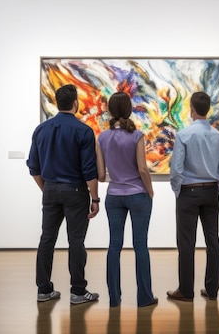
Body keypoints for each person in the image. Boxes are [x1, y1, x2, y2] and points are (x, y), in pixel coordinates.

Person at [26, 84, 100, 304]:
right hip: (76, 191)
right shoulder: (83, 130)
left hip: (50, 189)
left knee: (46, 240)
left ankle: (44, 290)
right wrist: (95, 199)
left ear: (57, 103)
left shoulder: (41, 129)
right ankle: (78, 291)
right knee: (76, 241)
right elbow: (89, 170)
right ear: (75, 103)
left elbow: (33, 167)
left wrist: (47, 188)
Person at [95, 92, 157, 308]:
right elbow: (142, 168)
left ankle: (114, 298)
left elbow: (101, 176)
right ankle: (145, 298)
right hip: (138, 195)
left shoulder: (102, 137)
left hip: (114, 197)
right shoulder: (137, 135)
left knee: (114, 246)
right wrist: (150, 191)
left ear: (110, 111)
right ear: (129, 110)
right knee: (141, 246)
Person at [167, 91, 219, 301]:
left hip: (188, 193)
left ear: (191, 109)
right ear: (208, 109)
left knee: (186, 243)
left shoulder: (184, 135)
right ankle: (212, 290)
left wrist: (178, 191)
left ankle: (186, 291)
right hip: (211, 191)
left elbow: (176, 170)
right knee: (213, 241)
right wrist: (216, 187)